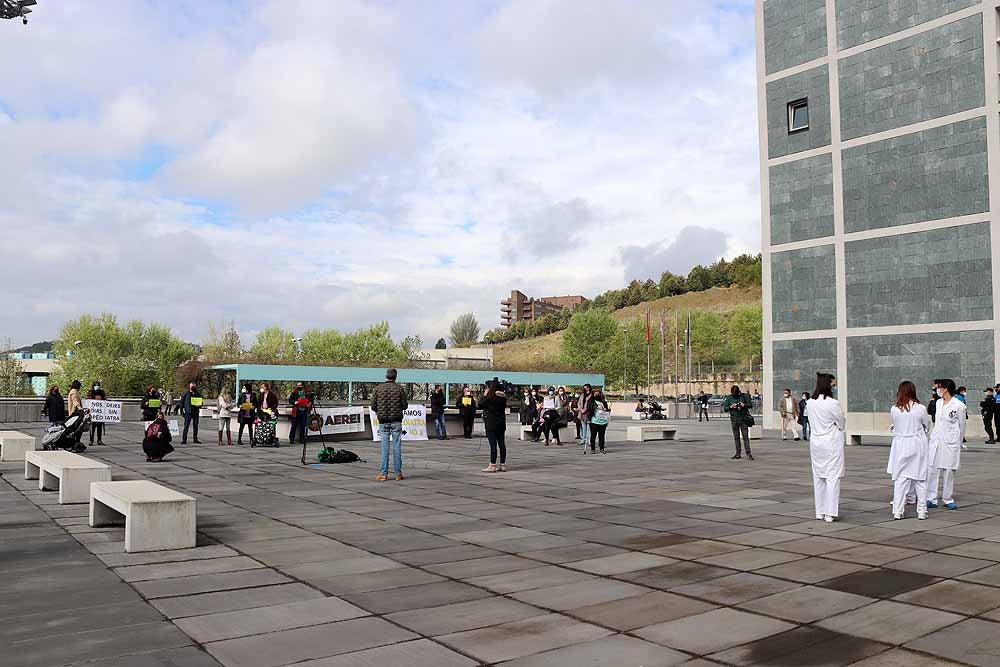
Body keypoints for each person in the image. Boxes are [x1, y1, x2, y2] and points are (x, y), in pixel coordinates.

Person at [887, 381, 929, 520]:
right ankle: (922, 511)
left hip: (900, 444)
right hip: (917, 443)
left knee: (900, 479)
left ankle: (897, 511)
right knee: (920, 478)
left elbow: (895, 425)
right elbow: (925, 425)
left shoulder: (895, 409)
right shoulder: (920, 408)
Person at [807, 373, 845, 523]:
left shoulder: (810, 402)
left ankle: (820, 511)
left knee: (818, 476)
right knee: (832, 477)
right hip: (831, 442)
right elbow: (841, 422)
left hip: (816, 442)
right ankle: (830, 512)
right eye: (833, 385)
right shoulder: (832, 403)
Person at [927, 378, 966, 510]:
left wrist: (959, 443)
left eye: (939, 387)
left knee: (949, 470)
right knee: (933, 469)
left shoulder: (959, 406)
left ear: (946, 389)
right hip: (936, 440)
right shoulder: (938, 403)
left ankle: (947, 498)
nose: (937, 390)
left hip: (951, 442)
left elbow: (962, 426)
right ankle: (931, 498)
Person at [372, 368, 408, 481]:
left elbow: (373, 406)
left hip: (383, 421)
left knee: (384, 448)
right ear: (395, 377)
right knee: (397, 447)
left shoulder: (378, 389)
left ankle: (383, 474)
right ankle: (398, 474)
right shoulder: (399, 389)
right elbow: (405, 406)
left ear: (386, 376)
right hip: (396, 421)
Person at [479, 379, 508, 472]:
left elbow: (480, 404)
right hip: (501, 424)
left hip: (491, 424)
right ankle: (503, 464)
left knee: (493, 445)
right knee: (502, 444)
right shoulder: (503, 398)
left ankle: (492, 465)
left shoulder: (490, 398)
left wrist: (484, 395)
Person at [723, 385, 754, 460]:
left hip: (743, 419)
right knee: (736, 438)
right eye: (733, 394)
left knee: (745, 437)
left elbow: (750, 405)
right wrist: (731, 407)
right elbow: (725, 408)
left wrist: (744, 405)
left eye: (735, 394)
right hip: (734, 419)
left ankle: (748, 453)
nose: (734, 395)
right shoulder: (729, 397)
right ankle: (738, 453)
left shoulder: (744, 396)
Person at [586, 387, 611, 454]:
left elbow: (606, 410)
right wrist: (588, 419)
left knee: (602, 436)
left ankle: (602, 448)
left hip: (603, 421)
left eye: (598, 394)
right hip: (594, 421)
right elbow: (588, 411)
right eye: (595, 394)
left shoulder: (603, 402)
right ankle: (593, 449)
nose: (597, 395)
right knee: (593, 435)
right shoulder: (591, 402)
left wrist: (607, 410)